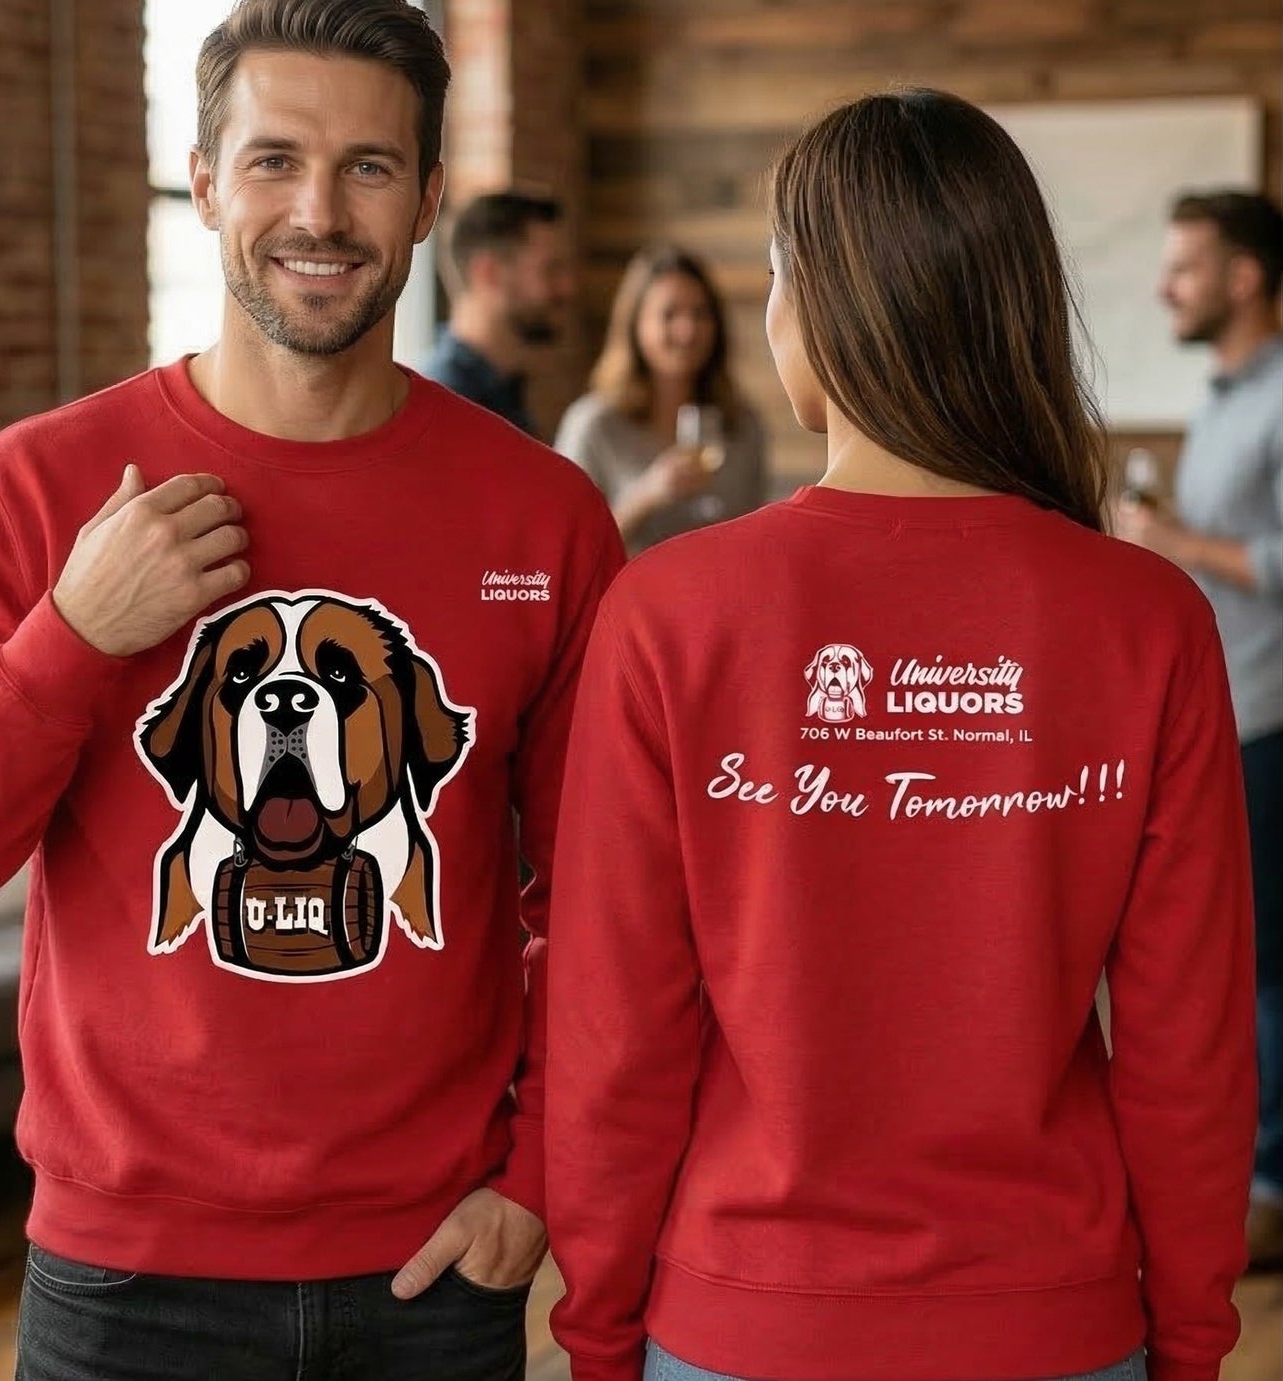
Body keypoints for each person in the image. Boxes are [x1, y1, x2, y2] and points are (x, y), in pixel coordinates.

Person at [0, 0, 623, 1381]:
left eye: (367, 166)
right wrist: (73, 634)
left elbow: (602, 893)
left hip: (435, 1269)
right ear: (204, 184)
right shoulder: (42, 485)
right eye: (273, 160)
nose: (318, 212)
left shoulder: (543, 518)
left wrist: (541, 1174)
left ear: (429, 198)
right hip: (123, 1280)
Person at [545, 90, 1255, 1381]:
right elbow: (1187, 1046)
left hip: (743, 1326)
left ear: (817, 304)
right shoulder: (1146, 617)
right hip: (1053, 1326)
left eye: (774, 276)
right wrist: (1195, 1341)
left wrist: (595, 1333)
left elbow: (615, 1035)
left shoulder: (668, 612)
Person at [1119, 188, 1283, 1267]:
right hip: (1234, 708)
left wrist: (1173, 541)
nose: (1163, 287)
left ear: (1243, 276)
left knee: (1265, 965)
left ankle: (1267, 1187)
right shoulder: (1224, 396)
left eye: (1183, 267)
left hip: (1272, 713)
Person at [553, 246, 767, 554]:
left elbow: (755, 540)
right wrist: (647, 495)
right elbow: (568, 548)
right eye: (670, 315)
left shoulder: (743, 425)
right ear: (636, 326)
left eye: (700, 314)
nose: (688, 330)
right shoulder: (593, 425)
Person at [420, 190, 574, 436]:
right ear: (488, 273)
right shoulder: (443, 406)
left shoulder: (506, 390)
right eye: (550, 270)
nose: (568, 287)